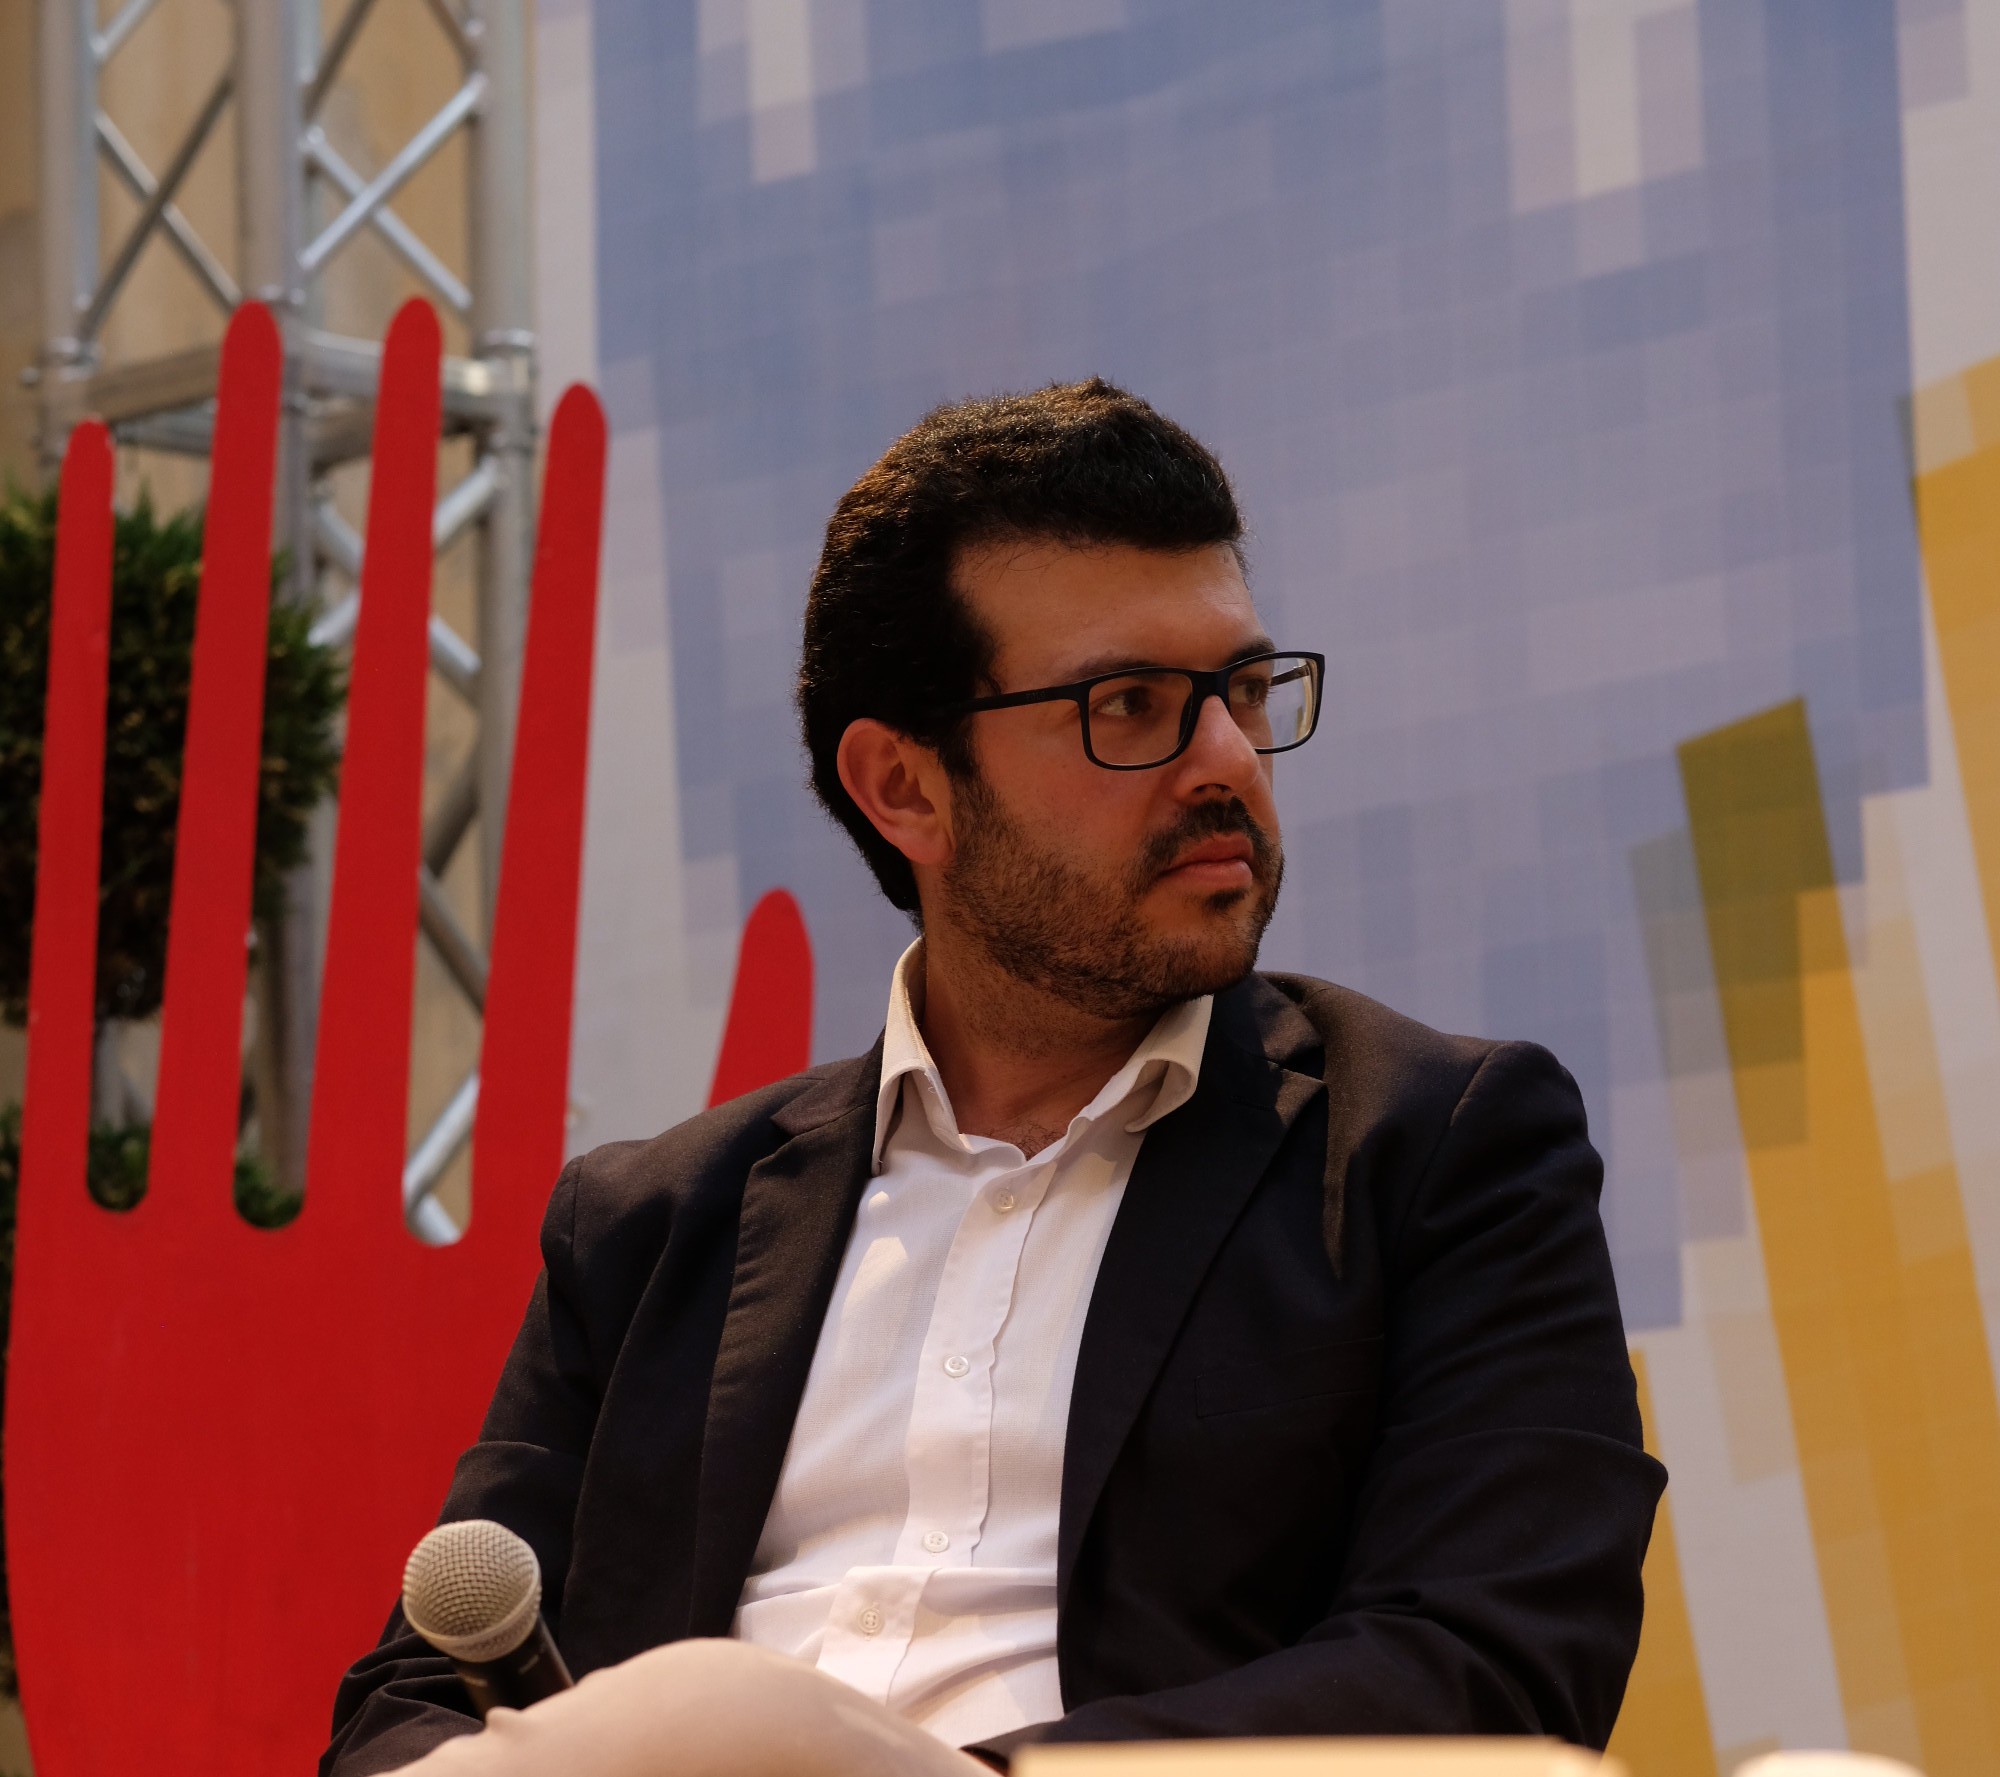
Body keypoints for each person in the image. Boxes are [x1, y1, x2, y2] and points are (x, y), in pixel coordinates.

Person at [323, 381, 1664, 1777]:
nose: (1226, 762)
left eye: (1245, 692)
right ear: (905, 788)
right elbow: (414, 1694)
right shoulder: (651, 1228)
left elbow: (1495, 1660)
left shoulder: (1436, 1151)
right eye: (1130, 706)